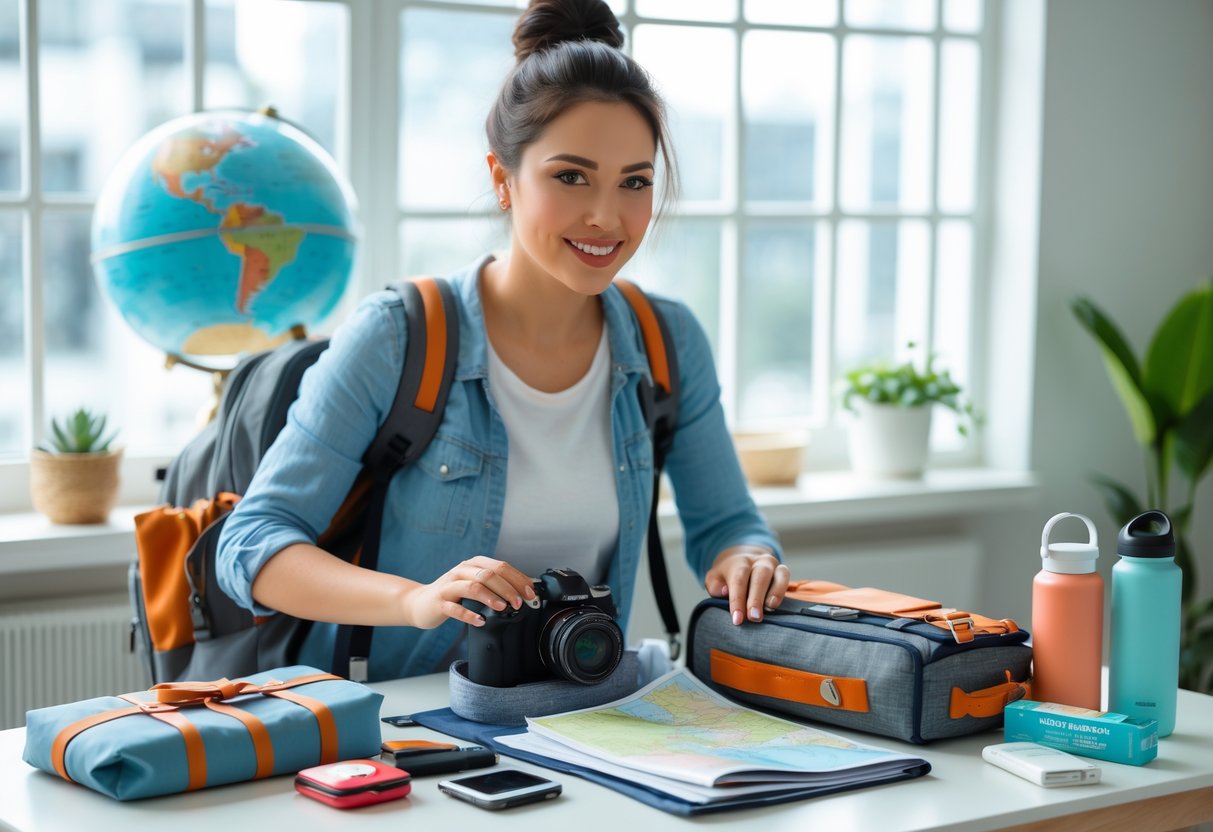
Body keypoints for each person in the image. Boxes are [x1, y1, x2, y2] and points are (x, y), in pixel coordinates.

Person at [216, 0, 787, 682]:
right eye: (570, 176)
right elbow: (250, 545)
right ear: (501, 179)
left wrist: (747, 557)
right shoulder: (397, 338)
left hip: (577, 718)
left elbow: (727, 523)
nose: (606, 216)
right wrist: (414, 599)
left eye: (634, 181)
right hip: (402, 724)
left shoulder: (667, 342)